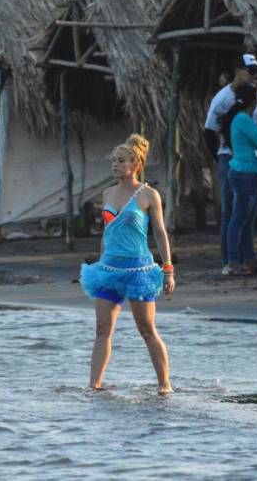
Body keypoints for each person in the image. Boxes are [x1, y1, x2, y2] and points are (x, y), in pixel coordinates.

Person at [81, 135, 174, 394]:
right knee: (102, 329)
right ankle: (94, 385)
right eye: (114, 160)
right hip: (109, 270)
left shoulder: (148, 195)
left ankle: (165, 385)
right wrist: (99, 263)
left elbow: (160, 233)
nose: (115, 164)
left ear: (135, 164)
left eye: (121, 160)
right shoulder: (107, 193)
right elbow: (106, 233)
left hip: (139, 271)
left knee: (146, 329)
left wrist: (168, 269)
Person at [204, 54, 257, 274]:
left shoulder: (254, 94)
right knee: (231, 211)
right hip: (231, 157)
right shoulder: (223, 99)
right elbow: (208, 131)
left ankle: (247, 258)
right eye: (251, 71)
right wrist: (218, 157)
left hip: (250, 158)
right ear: (238, 71)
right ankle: (229, 260)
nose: (255, 76)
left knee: (246, 212)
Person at [223, 83, 257, 275]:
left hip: (245, 171)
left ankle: (248, 260)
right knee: (240, 219)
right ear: (253, 101)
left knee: (245, 220)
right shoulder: (244, 119)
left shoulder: (238, 118)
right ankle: (233, 262)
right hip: (247, 173)